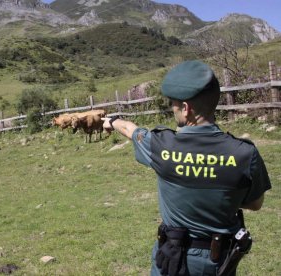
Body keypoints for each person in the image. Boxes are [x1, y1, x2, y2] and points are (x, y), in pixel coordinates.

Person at [102, 60, 272, 275]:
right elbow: (255, 204)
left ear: (185, 108)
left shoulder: (160, 145)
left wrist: (112, 121)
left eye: (173, 104)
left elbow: (130, 129)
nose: (172, 110)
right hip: (218, 260)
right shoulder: (244, 154)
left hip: (171, 255)